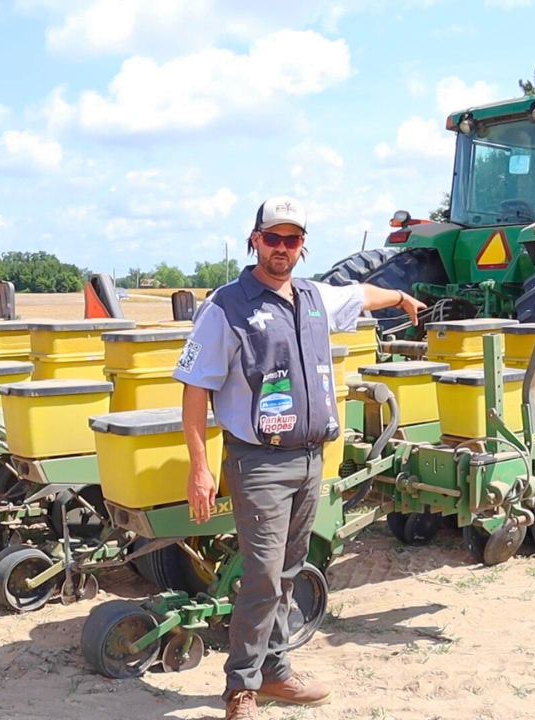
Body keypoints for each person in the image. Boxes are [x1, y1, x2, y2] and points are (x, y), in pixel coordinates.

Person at [173, 196, 427, 720]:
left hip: (311, 459)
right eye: (273, 238)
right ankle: (240, 689)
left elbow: (360, 294)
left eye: (291, 240)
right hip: (258, 463)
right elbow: (195, 389)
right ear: (255, 241)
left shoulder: (313, 297)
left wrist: (401, 296)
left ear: (302, 246)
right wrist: (200, 467)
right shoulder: (226, 307)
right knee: (263, 576)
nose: (282, 248)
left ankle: (276, 671)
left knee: (289, 571)